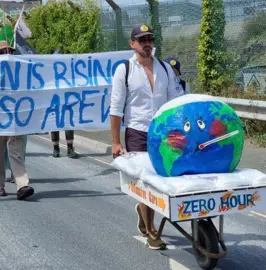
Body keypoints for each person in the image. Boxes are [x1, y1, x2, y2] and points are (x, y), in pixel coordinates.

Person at [110, 24, 184, 249]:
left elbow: (175, 102)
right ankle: (151, 231)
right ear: (132, 44)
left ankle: (144, 213)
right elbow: (116, 108)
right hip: (137, 132)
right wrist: (115, 141)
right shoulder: (124, 69)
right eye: (142, 40)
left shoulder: (165, 68)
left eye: (150, 39)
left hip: (163, 133)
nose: (147, 43)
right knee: (145, 181)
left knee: (167, 177)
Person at [0, 40, 34, 200]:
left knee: (16, 152)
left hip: (15, 118)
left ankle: (22, 185)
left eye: (8, 51)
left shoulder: (19, 70)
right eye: (1, 52)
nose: (5, 54)